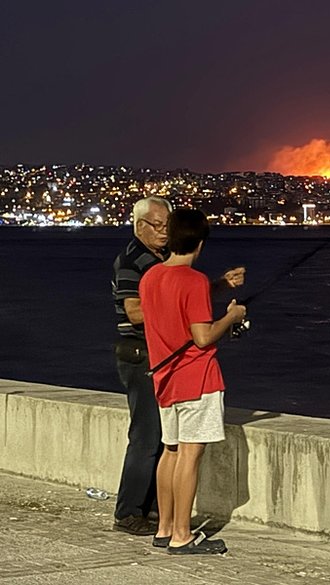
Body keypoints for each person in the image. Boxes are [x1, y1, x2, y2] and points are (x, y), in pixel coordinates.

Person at [111, 197, 245, 536]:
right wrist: (231, 316)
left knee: (167, 448)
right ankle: (159, 525)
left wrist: (214, 286)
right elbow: (197, 333)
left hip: (161, 369)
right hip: (180, 370)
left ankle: (163, 524)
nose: (162, 231)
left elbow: (172, 301)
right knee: (159, 444)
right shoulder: (134, 262)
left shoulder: (154, 272)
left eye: (166, 226)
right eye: (157, 225)